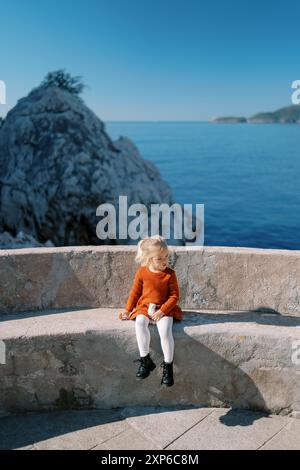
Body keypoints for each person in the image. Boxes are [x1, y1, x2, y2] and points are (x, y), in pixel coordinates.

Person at [119, 235, 183, 387]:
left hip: (165, 308)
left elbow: (175, 297)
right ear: (148, 259)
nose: (164, 261)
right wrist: (128, 310)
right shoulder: (142, 272)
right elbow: (134, 293)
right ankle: (145, 360)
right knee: (140, 323)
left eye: (166, 257)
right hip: (145, 307)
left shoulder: (170, 274)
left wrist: (162, 311)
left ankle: (168, 367)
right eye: (159, 258)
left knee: (165, 331)